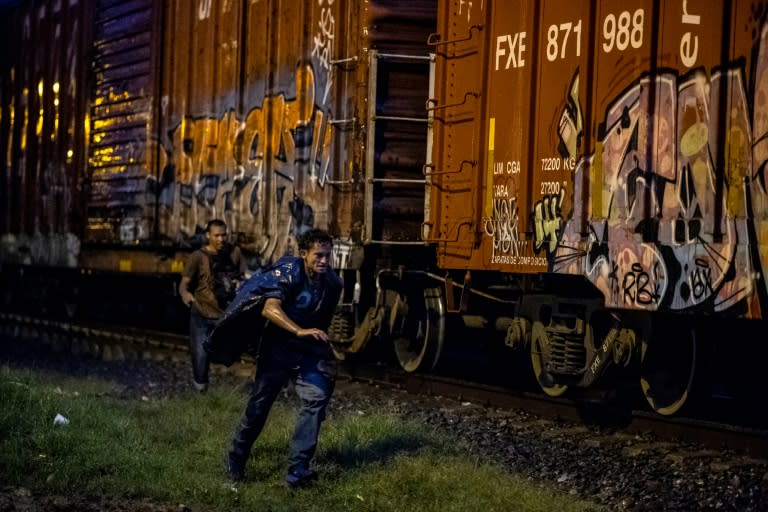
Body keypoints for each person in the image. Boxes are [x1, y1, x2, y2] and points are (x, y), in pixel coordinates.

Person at [208, 228, 343, 488]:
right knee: (259, 408)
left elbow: (322, 321)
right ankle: (235, 461)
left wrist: (317, 344)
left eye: (328, 255)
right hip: (277, 349)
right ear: (304, 254)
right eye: (318, 255)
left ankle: (298, 471)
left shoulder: (333, 284)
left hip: (307, 352)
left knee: (315, 402)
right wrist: (298, 330)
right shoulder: (289, 273)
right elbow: (270, 308)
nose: (324, 261)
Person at [179, 219, 246, 392]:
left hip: (224, 314)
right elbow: (184, 283)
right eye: (216, 235)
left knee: (228, 354)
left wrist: (239, 283)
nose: (221, 239)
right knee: (200, 356)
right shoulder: (198, 256)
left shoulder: (235, 253)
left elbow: (242, 277)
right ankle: (201, 393)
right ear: (208, 236)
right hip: (201, 312)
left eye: (224, 235)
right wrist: (186, 296)